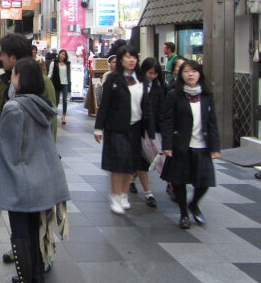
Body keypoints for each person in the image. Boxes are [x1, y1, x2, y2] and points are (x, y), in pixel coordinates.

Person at [0, 34, 58, 270]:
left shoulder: (42, 82)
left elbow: (49, 124)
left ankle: (39, 260)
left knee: (35, 219)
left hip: (31, 160)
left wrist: (45, 156)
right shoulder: (6, 80)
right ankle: (27, 260)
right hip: (17, 157)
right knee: (26, 219)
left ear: (13, 57)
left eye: (2, 54)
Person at [0, 58, 70, 283]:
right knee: (35, 229)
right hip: (44, 178)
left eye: (14, 75)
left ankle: (26, 278)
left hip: (21, 180)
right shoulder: (42, 104)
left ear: (20, 78)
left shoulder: (14, 107)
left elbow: (8, 152)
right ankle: (36, 277)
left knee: (19, 232)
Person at [161, 60, 221, 229]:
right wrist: (167, 144)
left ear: (199, 74)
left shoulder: (206, 95)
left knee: (205, 182)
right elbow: (167, 121)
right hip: (182, 145)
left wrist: (215, 147)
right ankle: (184, 214)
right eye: (187, 71)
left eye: (194, 71)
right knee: (179, 181)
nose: (190, 74)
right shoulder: (174, 95)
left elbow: (212, 122)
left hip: (202, 145)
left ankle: (193, 204)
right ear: (181, 74)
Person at [94, 45, 148, 215]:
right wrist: (98, 128)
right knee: (118, 161)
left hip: (136, 126)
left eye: (134, 57)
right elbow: (104, 105)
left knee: (132, 163)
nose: (131, 60)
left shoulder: (141, 79)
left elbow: (148, 105)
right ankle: (115, 194)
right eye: (127, 57)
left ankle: (124, 193)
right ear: (120, 60)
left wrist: (151, 130)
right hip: (116, 126)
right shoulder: (113, 79)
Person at [128, 57, 165, 208]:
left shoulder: (160, 87)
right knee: (143, 161)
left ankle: (130, 179)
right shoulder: (137, 84)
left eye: (155, 73)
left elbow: (163, 108)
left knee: (150, 159)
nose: (152, 76)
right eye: (150, 72)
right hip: (139, 128)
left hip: (154, 128)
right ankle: (148, 192)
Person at [48, 49, 71, 125]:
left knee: (65, 100)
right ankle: (54, 114)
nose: (63, 56)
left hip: (65, 83)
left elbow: (69, 75)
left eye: (64, 54)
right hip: (57, 83)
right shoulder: (54, 63)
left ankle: (63, 116)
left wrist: (70, 86)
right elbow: (50, 73)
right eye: (62, 54)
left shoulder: (67, 64)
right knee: (56, 100)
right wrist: (47, 80)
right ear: (59, 54)